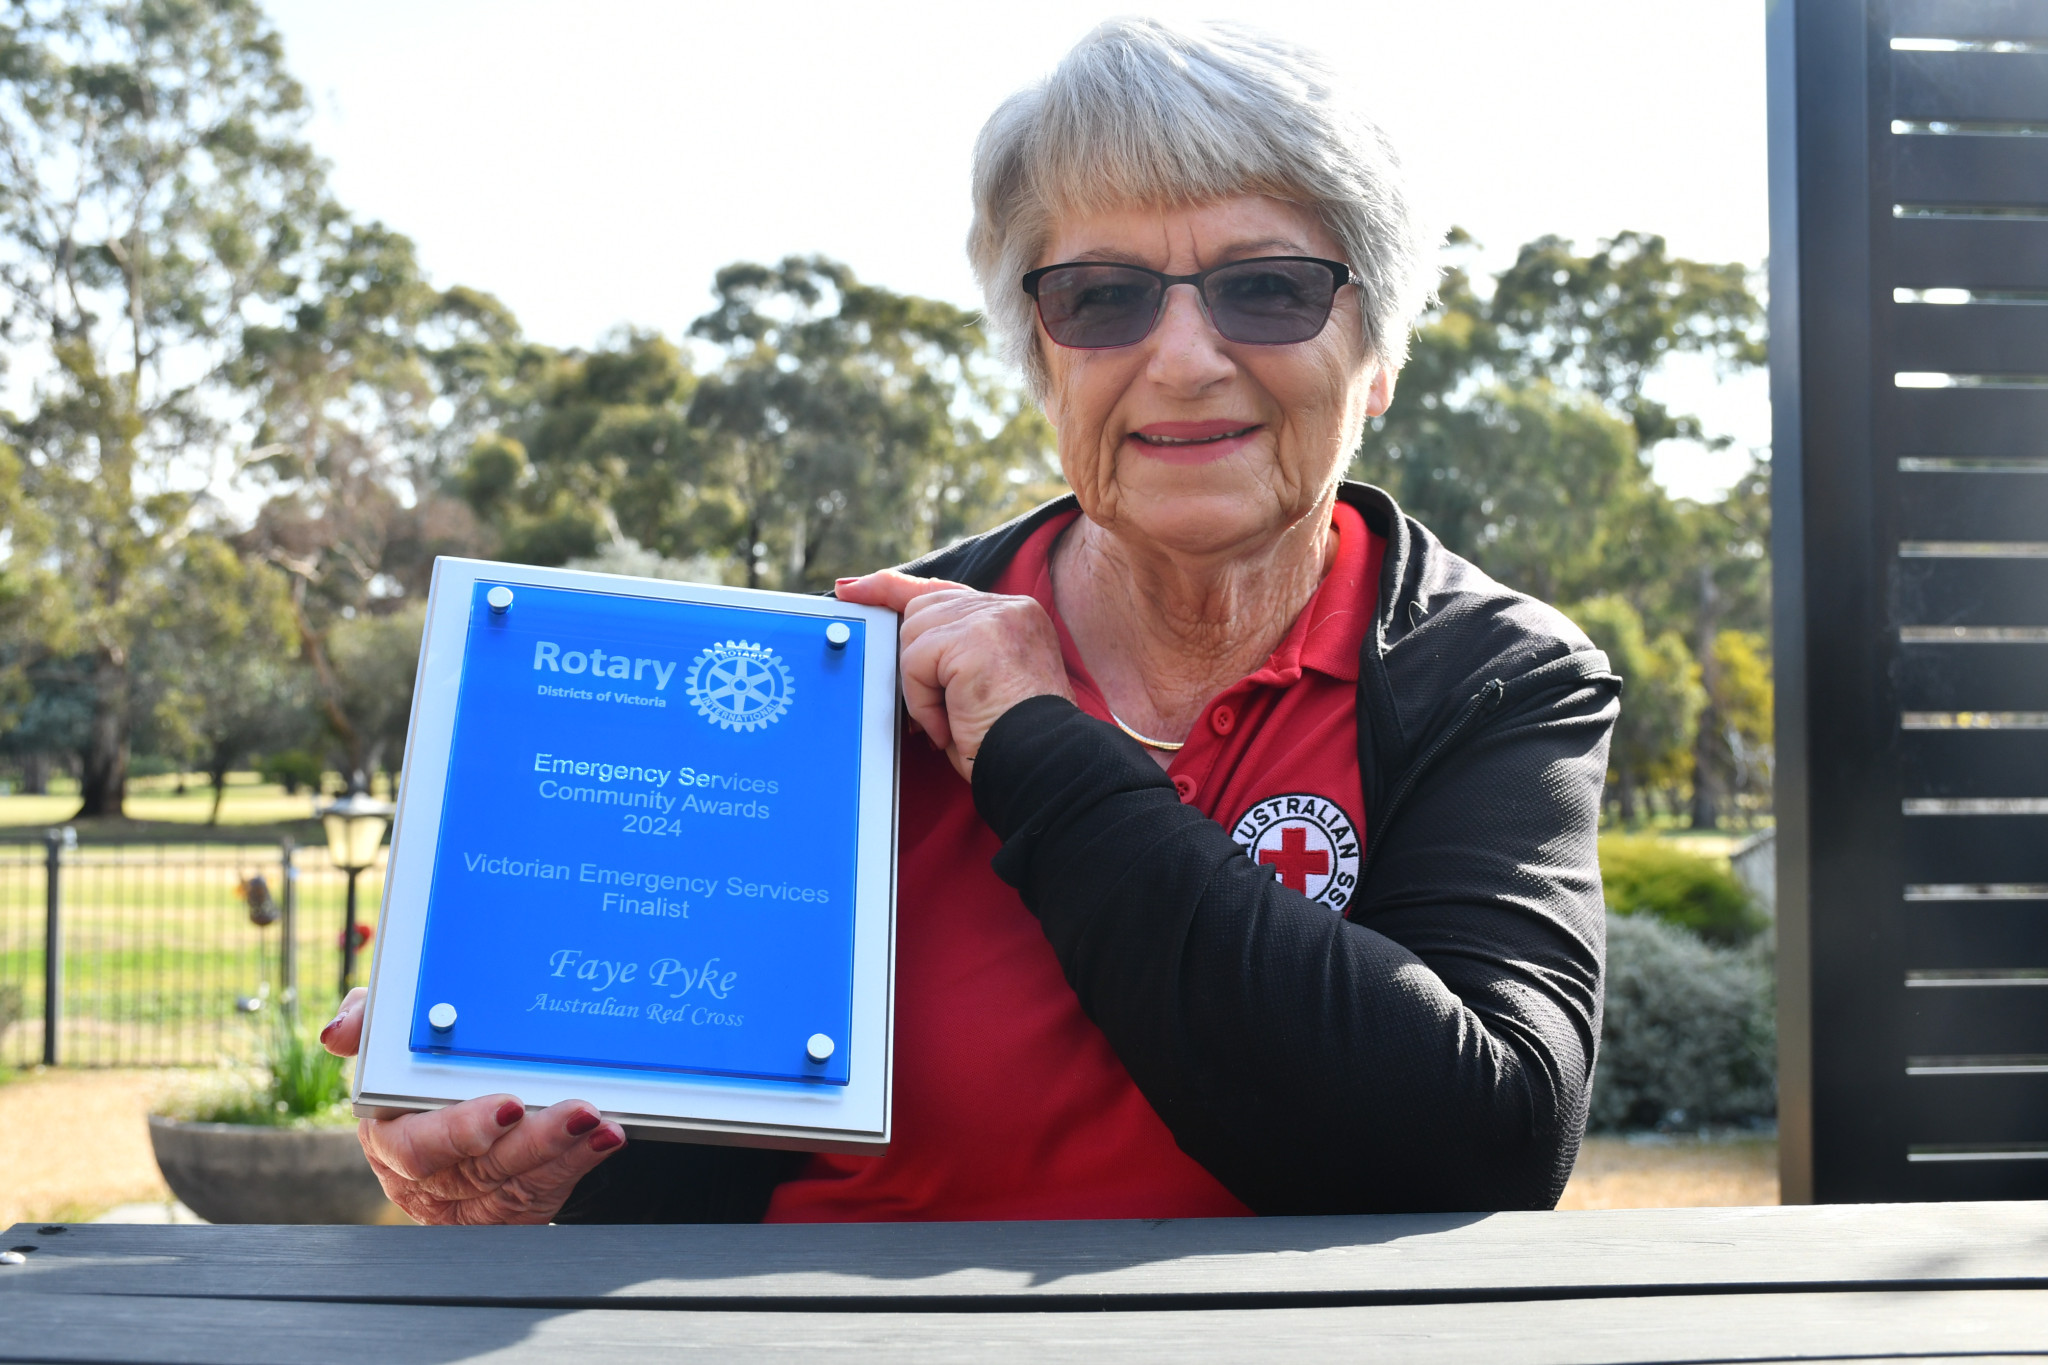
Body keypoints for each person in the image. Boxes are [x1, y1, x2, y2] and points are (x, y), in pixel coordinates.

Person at [321, 17, 1619, 1225]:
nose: (1179, 357)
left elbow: (1481, 1142)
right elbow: (700, 1148)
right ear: (1043, 358)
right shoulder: (837, 681)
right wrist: (518, 1153)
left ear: (1378, 356)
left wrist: (1038, 743)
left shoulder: (1488, 677)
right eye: (1102, 296)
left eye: (1268, 287)